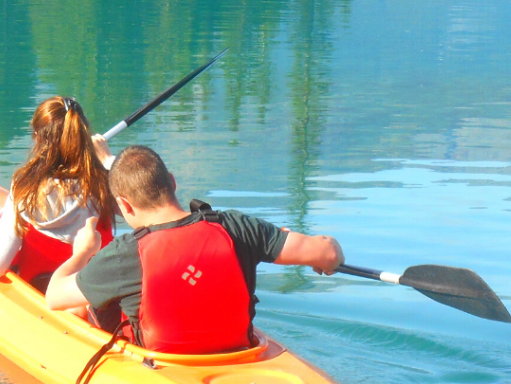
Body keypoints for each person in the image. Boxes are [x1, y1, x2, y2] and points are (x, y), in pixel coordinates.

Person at [45, 145, 344, 354]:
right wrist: (312, 253)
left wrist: (81, 253)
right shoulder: (238, 227)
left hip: (161, 366)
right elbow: (328, 254)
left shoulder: (124, 254)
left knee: (81, 305)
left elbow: (54, 296)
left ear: (123, 205)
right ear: (172, 183)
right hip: (238, 354)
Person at [0, 97, 118, 290]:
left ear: (37, 137)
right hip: (96, 296)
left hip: (42, 293)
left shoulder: (26, 189)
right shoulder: (107, 183)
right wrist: (109, 161)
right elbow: (149, 205)